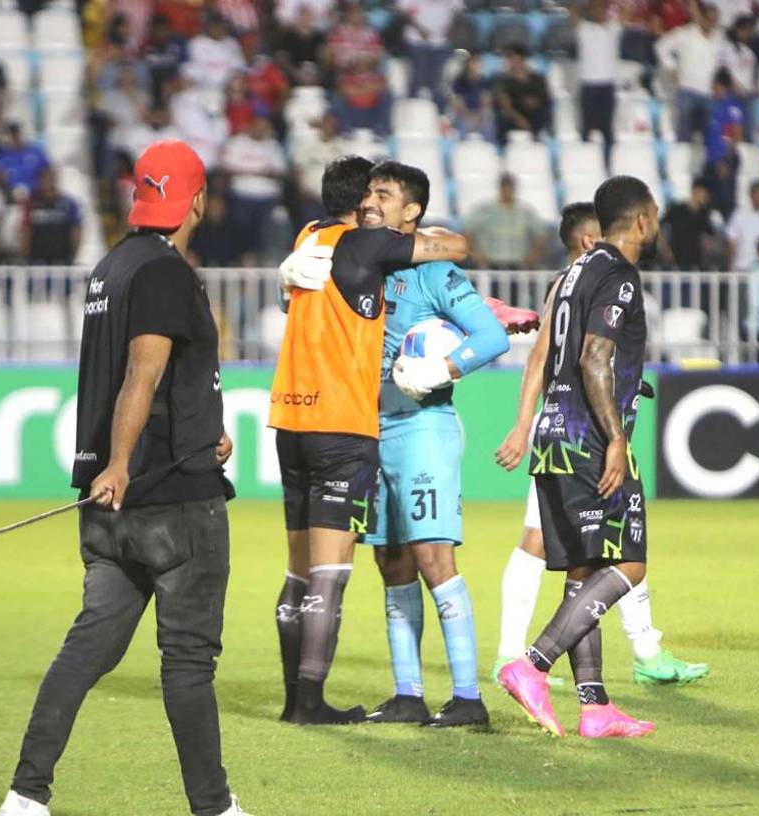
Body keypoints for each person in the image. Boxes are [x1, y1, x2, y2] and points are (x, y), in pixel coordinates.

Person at [0, 140, 251, 816]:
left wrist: (200, 434)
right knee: (190, 662)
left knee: (86, 650)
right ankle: (214, 808)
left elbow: (141, 381)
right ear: (197, 200)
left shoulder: (112, 266)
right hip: (170, 500)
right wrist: (123, 461)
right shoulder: (167, 272)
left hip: (113, 510)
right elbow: (144, 372)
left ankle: (25, 797)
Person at [268, 156, 471, 725]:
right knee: (329, 573)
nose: (378, 203)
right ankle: (308, 702)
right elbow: (457, 247)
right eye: (374, 195)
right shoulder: (368, 244)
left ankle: (293, 699)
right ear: (362, 204)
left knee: (297, 568)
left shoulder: (307, 238)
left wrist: (282, 273)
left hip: (290, 418)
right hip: (342, 423)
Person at [494, 201, 711, 688]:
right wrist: (525, 423)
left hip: (565, 433)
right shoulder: (593, 279)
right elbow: (551, 361)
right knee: (609, 555)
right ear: (591, 241)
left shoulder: (575, 282)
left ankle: (611, 681)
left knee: (591, 560)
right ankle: (522, 659)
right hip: (582, 435)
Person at [496, 175, 663, 740]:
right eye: (655, 213)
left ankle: (595, 707)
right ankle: (532, 664)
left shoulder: (571, 273)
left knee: (583, 571)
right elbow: (595, 359)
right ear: (640, 220)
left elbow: (547, 355)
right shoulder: (618, 274)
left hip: (554, 432)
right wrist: (616, 438)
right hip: (591, 438)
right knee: (630, 563)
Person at [356, 161, 510, 727]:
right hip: (370, 429)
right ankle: (407, 694)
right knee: (391, 561)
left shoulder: (431, 270)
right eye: (369, 192)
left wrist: (443, 368)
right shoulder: (355, 257)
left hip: (422, 426)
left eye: (384, 194)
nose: (371, 201)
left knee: (431, 558)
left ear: (411, 210)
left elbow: (491, 337)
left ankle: (468, 698)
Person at [221, 113, 287, 263]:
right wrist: (260, 171)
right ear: (250, 126)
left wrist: (247, 170)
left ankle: (261, 264)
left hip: (267, 198)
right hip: (241, 195)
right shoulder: (237, 143)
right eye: (257, 126)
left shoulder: (273, 146)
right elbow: (228, 167)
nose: (260, 130)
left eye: (264, 127)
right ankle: (243, 261)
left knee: (267, 236)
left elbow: (280, 171)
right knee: (241, 233)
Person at [656, 2, 723, 144]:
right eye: (709, 19)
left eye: (714, 20)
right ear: (702, 17)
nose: (711, 23)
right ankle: (680, 161)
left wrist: (718, 82)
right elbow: (661, 46)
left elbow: (721, 62)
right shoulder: (685, 34)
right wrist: (672, 68)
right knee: (684, 132)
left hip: (708, 93)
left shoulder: (719, 39)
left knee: (709, 135)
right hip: (687, 89)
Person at [465, 174, 550, 270]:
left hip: (518, 264)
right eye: (504, 187)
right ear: (500, 188)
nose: (507, 191)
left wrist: (534, 255)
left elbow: (541, 236)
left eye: (510, 188)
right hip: (490, 264)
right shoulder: (485, 211)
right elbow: (468, 232)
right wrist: (476, 253)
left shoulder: (525, 213)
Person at [576, 0, 622, 157]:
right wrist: (589, 5)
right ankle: (586, 162)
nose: (599, 12)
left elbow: (626, 11)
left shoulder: (613, 28)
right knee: (586, 128)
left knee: (607, 129)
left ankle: (609, 163)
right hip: (588, 84)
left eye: (602, 9)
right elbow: (572, 13)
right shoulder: (585, 28)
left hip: (607, 85)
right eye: (596, 9)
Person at [400, 0, 462, 106]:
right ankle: (412, 111)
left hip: (441, 42)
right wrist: (419, 28)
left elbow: (457, 10)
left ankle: (438, 115)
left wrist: (451, 27)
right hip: (417, 41)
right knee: (417, 79)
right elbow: (404, 11)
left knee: (437, 82)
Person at [23, 167, 82, 266]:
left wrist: (72, 255)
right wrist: (27, 257)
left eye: (52, 179)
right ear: (40, 181)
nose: (49, 182)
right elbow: (26, 230)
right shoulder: (32, 203)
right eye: (46, 179)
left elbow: (76, 230)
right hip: (37, 260)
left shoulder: (68, 204)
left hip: (63, 260)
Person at [493, 46, 552, 145]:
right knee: (502, 118)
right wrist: (519, 119)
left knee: (542, 113)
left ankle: (540, 141)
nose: (514, 63)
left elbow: (545, 99)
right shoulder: (503, 82)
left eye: (517, 59)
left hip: (534, 114)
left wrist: (535, 102)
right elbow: (505, 105)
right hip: (514, 115)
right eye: (511, 59)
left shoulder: (537, 79)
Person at [661, 179, 722, 269]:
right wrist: (666, 251)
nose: (706, 196)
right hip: (674, 264)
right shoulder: (677, 209)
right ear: (695, 191)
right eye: (704, 193)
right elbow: (658, 229)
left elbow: (711, 237)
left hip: (695, 266)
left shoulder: (704, 215)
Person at [184, 12, 248, 92]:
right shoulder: (196, 44)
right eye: (215, 25)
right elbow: (190, 71)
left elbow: (239, 69)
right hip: (204, 90)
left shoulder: (232, 43)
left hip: (229, 91)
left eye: (220, 24)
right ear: (207, 27)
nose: (219, 28)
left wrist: (230, 86)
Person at [0, 122, 51, 196]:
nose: (13, 137)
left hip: (36, 194)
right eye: (10, 135)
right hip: (11, 196)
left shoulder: (35, 151)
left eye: (15, 133)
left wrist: (43, 188)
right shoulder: (1, 156)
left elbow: (48, 171)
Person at [449, 52, 494, 140]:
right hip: (464, 115)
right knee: (464, 125)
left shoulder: (484, 81)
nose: (476, 65)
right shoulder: (459, 81)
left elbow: (486, 102)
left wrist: (480, 116)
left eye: (478, 62)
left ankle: (488, 149)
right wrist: (470, 117)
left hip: (480, 115)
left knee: (488, 125)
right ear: (468, 64)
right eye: (473, 62)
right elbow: (458, 104)